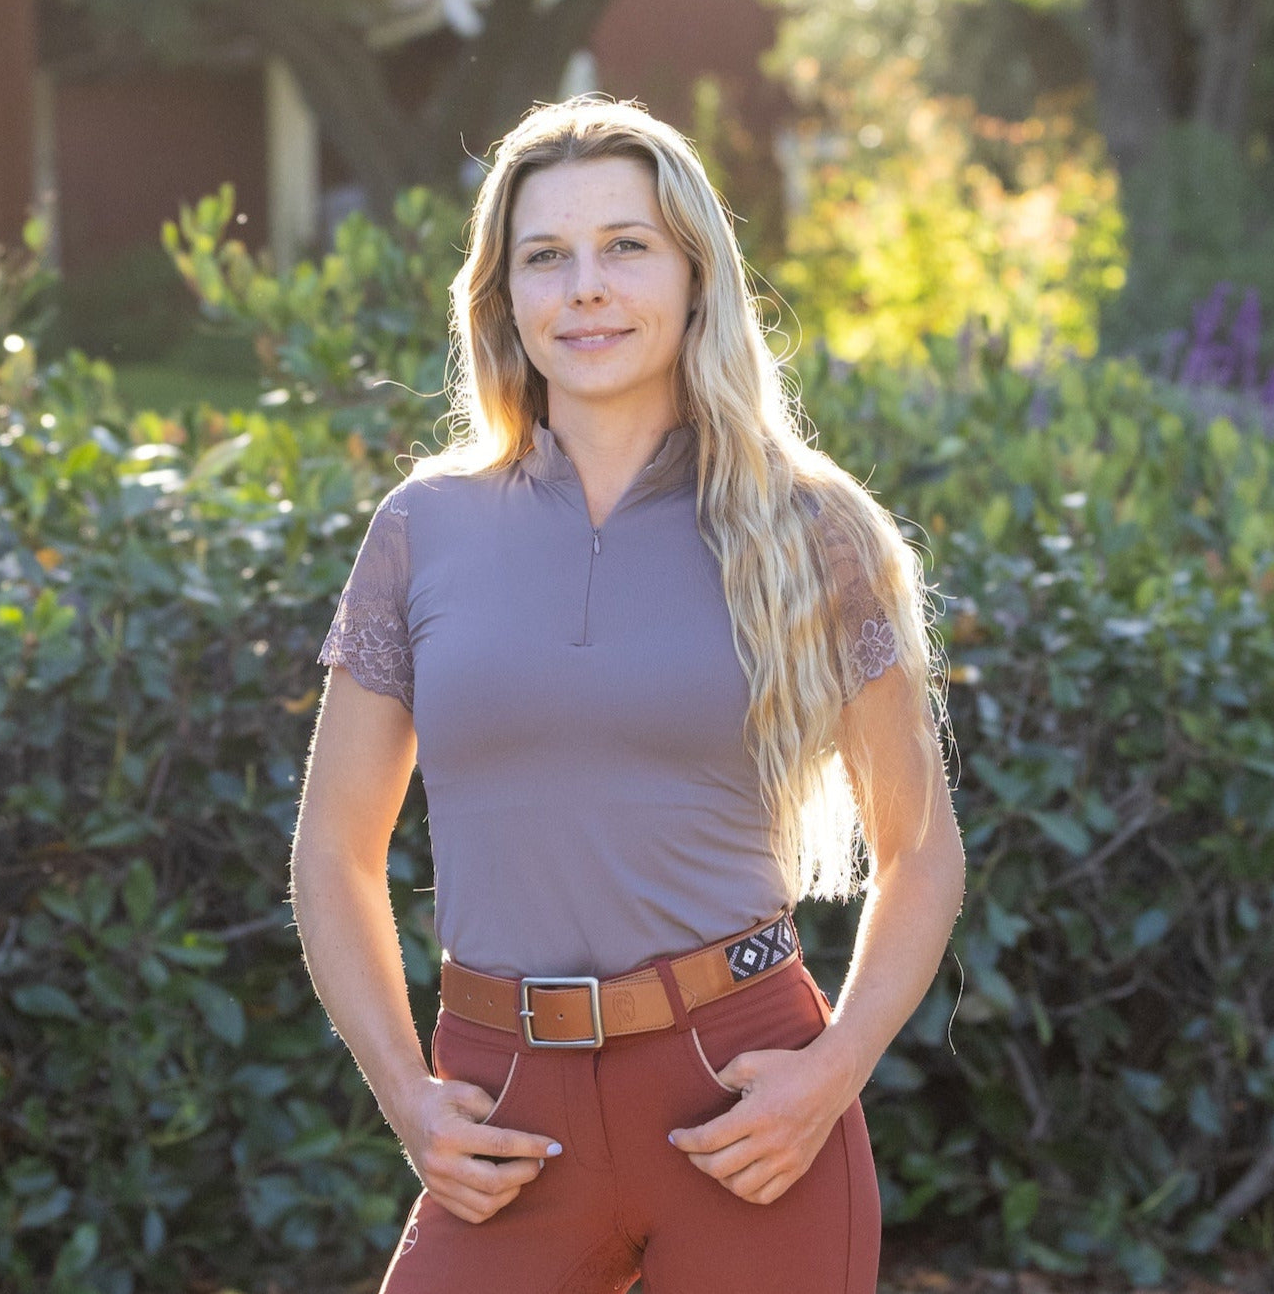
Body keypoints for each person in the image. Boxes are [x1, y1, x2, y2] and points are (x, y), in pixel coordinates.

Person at [291, 96, 966, 1294]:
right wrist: (406, 1093)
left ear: (695, 276)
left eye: (626, 247)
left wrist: (831, 1072)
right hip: (502, 1113)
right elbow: (333, 851)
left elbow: (918, 848)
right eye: (545, 256)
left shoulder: (812, 529)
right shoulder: (422, 529)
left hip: (743, 1104)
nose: (585, 287)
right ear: (501, 296)